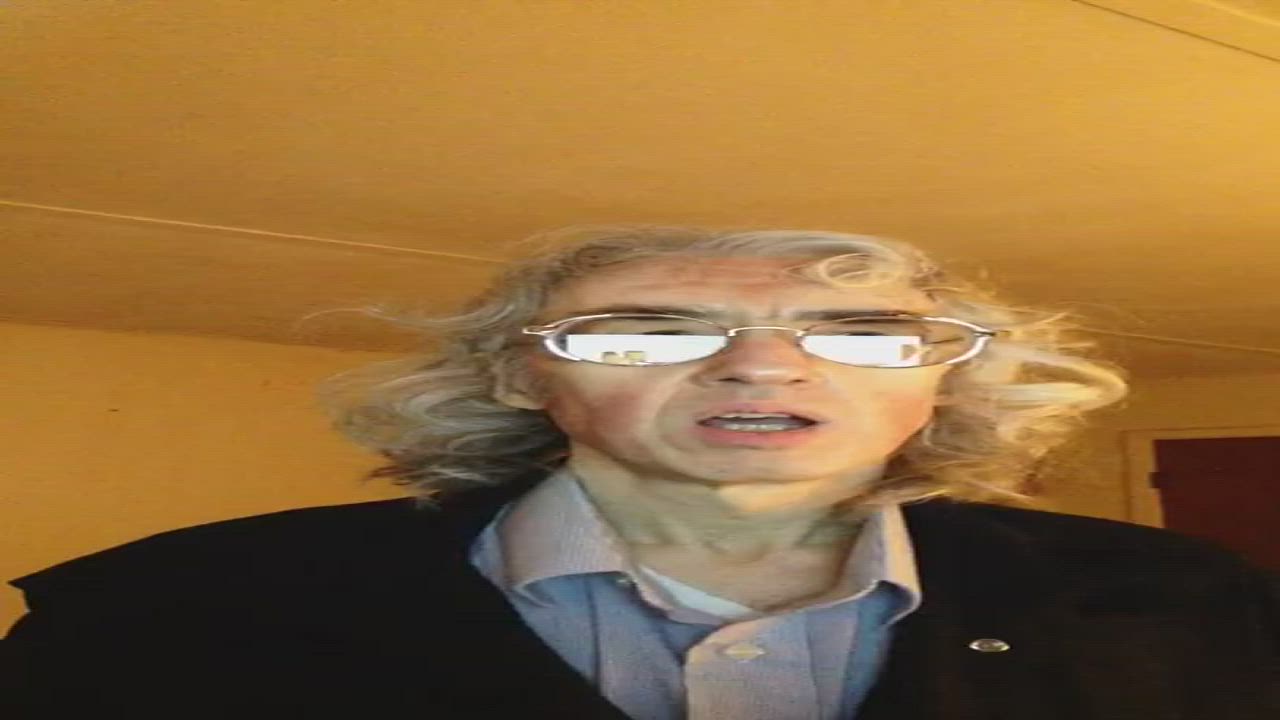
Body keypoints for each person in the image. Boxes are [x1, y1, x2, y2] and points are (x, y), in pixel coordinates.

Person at [2, 226, 1276, 719]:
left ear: (934, 381)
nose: (760, 366)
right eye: (645, 333)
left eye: (853, 334)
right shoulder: (168, 619)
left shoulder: (1195, 610)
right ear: (521, 379)